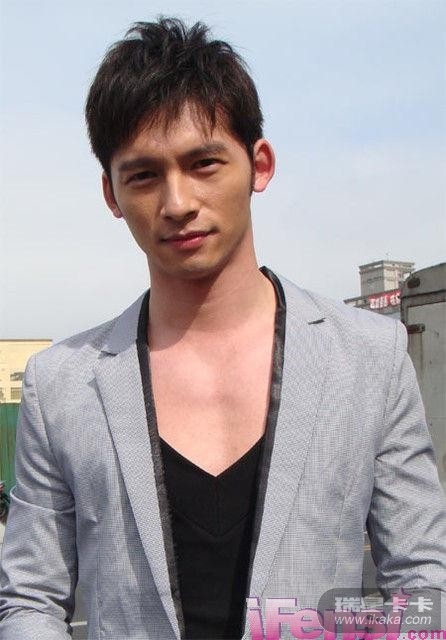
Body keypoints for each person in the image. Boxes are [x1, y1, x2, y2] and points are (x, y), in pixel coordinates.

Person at [0, 17, 445, 640]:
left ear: (259, 164)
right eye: (143, 175)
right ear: (111, 193)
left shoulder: (369, 356)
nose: (177, 203)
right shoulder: (62, 384)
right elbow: (29, 599)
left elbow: (424, 584)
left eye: (203, 163)